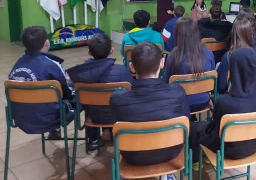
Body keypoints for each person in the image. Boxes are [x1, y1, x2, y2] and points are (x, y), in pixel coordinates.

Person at [189, 48, 256, 169]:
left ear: (234, 72)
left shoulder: (224, 102)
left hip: (227, 149)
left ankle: (196, 162)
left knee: (193, 127)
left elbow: (215, 127)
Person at [110, 42, 190, 170]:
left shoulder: (117, 99)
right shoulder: (177, 91)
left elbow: (115, 128)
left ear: (132, 67)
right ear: (162, 63)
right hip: (171, 152)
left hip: (132, 155)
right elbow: (186, 121)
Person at [67, 33, 134, 148]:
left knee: (91, 100)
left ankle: (93, 140)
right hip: (119, 116)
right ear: (112, 50)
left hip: (93, 116)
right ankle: (110, 132)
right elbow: (131, 92)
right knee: (113, 100)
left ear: (89, 52)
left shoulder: (80, 73)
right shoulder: (122, 71)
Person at [8, 26, 74, 139]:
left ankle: (55, 130)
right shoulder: (52, 64)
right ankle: (94, 137)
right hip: (48, 119)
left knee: (47, 92)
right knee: (75, 92)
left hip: (20, 118)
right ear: (47, 43)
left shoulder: (18, 63)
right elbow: (66, 93)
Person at [164, 18, 215, 113]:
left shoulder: (173, 55)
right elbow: (212, 78)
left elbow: (167, 82)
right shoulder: (208, 53)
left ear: (177, 34)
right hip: (203, 101)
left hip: (179, 103)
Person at [216, 18, 256, 94]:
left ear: (233, 33)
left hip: (233, 96)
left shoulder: (228, 57)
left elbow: (221, 86)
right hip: (253, 93)